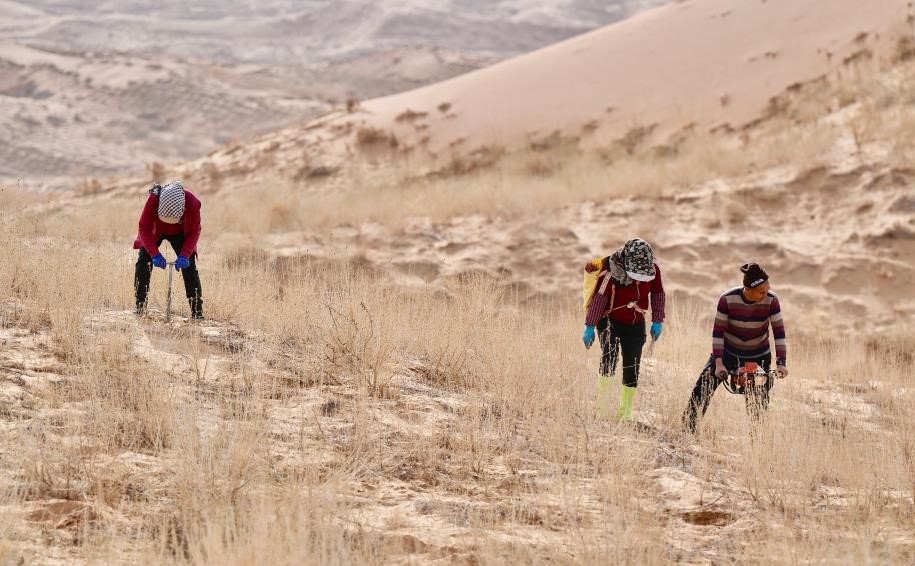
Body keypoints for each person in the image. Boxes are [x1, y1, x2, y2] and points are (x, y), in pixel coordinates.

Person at [682, 263, 788, 434]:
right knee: (703, 389)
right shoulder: (727, 299)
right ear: (749, 289)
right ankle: (686, 431)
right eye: (761, 291)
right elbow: (718, 333)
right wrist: (718, 363)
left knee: (757, 402)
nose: (766, 294)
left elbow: (779, 332)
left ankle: (758, 442)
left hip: (757, 357)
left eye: (767, 290)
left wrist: (781, 362)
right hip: (728, 354)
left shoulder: (772, 300)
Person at [582, 238, 665, 421]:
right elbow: (599, 299)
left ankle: (625, 412)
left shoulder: (654, 270)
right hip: (610, 321)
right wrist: (589, 326)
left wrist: (658, 320)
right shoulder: (611, 272)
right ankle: (602, 409)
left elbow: (658, 293)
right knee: (609, 357)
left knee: (632, 364)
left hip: (636, 322)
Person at [133, 181, 204, 319]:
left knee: (190, 266)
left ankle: (197, 313)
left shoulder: (192, 203)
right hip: (156, 230)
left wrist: (185, 255)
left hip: (181, 233)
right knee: (143, 262)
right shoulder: (154, 199)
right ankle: (140, 306)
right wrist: (154, 254)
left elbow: (194, 231)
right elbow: (144, 228)